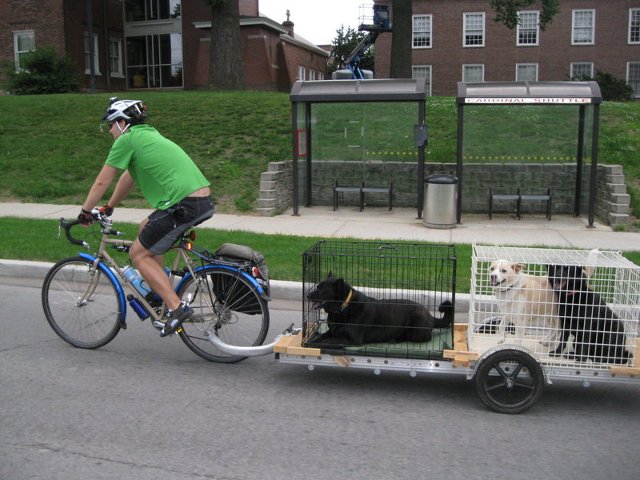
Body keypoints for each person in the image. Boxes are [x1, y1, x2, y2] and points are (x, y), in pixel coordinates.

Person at [79, 97, 214, 337]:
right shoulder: (148, 135)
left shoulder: (128, 139)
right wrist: (109, 206)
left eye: (110, 125)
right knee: (146, 227)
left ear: (122, 122)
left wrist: (85, 212)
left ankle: (176, 307)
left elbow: (103, 180)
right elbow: (128, 178)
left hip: (184, 203)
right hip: (199, 200)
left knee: (137, 254)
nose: (109, 131)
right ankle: (158, 292)